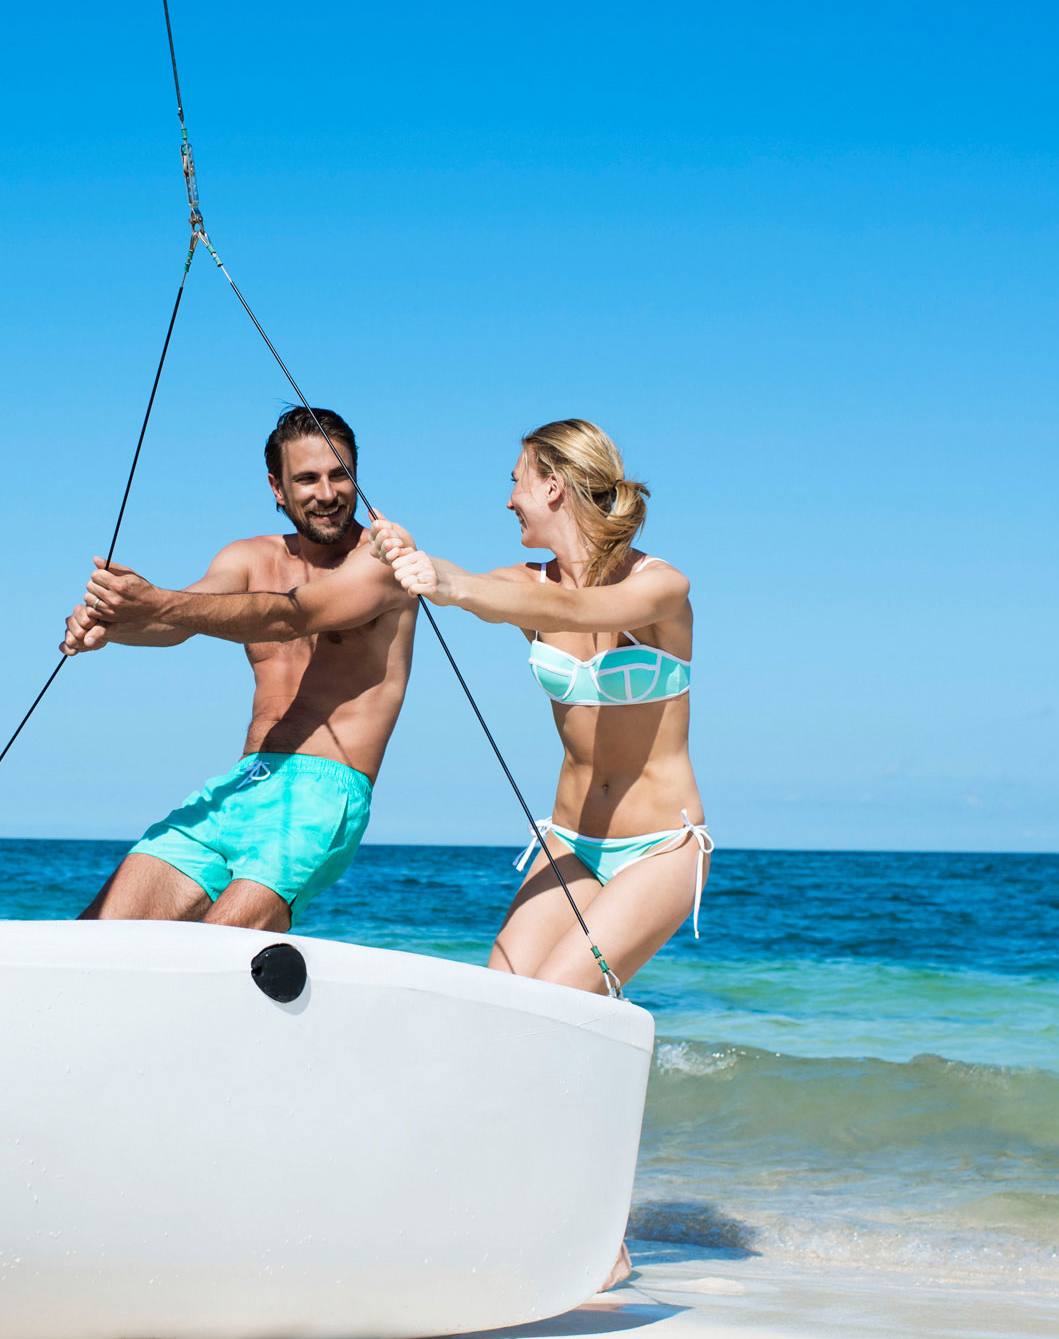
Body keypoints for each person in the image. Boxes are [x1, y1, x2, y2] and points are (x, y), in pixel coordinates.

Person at [369, 418, 710, 997]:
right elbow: (471, 583)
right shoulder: (525, 584)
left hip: (660, 846)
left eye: (517, 482)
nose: (508, 501)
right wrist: (409, 552)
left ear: (553, 486)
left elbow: (578, 611)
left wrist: (455, 589)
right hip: (570, 840)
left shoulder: (660, 586)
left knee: (556, 999)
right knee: (497, 999)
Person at [63, 406, 415, 933]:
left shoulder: (386, 554)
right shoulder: (249, 557)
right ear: (277, 488)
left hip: (322, 793)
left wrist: (154, 603)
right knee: (92, 937)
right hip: (241, 783)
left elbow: (290, 614)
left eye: (339, 474)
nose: (327, 493)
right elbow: (184, 619)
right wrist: (110, 626)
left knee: (212, 955)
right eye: (307, 478)